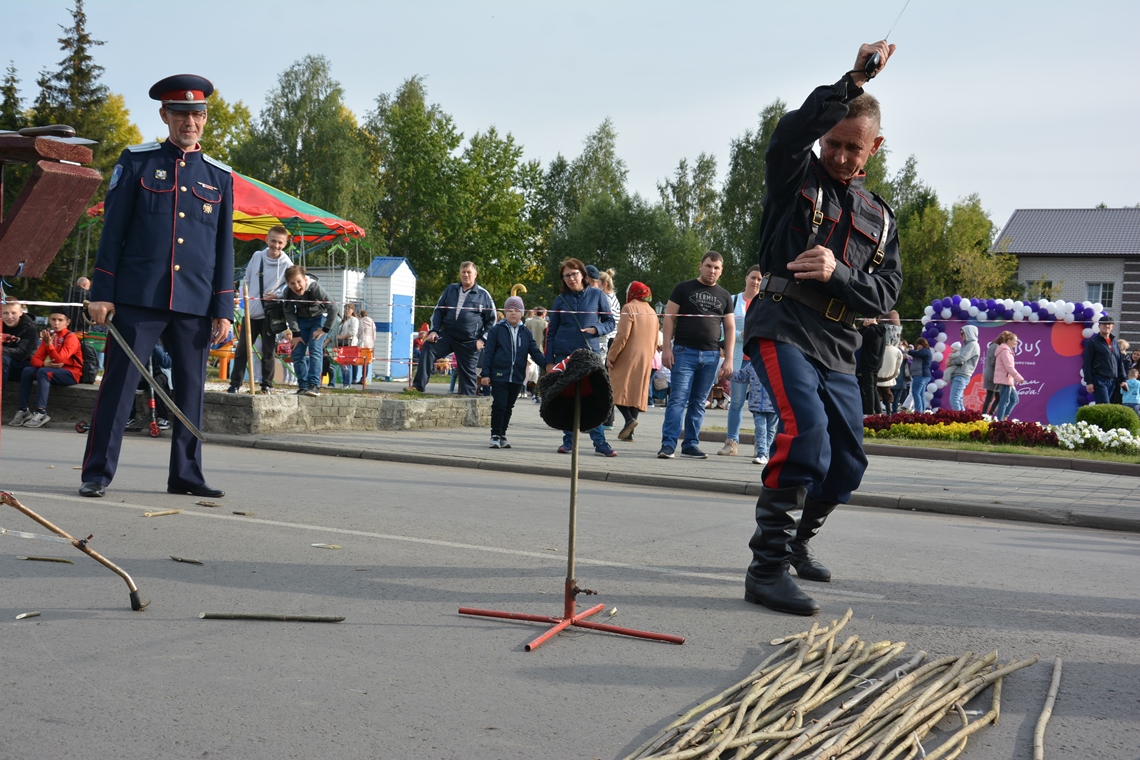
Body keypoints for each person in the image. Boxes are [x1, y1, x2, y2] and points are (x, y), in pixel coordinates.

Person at [740, 41, 903, 616]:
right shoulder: (794, 175)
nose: (838, 155)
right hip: (783, 323)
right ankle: (764, 570)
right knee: (805, 436)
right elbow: (789, 133)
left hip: (839, 343)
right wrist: (852, 82)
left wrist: (839, 274)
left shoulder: (880, 216)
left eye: (851, 147)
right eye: (832, 142)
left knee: (847, 463)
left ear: (874, 148)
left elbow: (887, 292)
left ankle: (796, 547)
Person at [80, 74, 234, 500]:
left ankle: (186, 474)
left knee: (191, 392)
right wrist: (102, 292)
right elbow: (113, 232)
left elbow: (223, 248)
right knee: (119, 386)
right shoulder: (137, 162)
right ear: (164, 115)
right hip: (138, 296)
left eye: (198, 113)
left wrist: (224, 306)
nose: (191, 120)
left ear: (205, 119)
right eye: (182, 113)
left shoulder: (219, 177)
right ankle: (96, 472)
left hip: (195, 301)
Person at [657, 252, 734, 460]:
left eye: (716, 268)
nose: (712, 271)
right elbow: (669, 318)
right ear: (700, 266)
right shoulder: (683, 288)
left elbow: (729, 327)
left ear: (721, 270)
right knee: (677, 400)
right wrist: (666, 348)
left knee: (699, 402)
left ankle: (691, 444)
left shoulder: (725, 296)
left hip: (711, 356)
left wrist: (728, 359)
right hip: (683, 352)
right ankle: (668, 445)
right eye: (709, 266)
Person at [545, 258, 616, 456]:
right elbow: (551, 332)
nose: (570, 278)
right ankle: (568, 442)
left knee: (592, 398)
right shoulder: (560, 300)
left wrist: (596, 329)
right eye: (566, 275)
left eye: (574, 274)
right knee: (567, 398)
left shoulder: (597, 295)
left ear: (583, 275)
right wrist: (549, 360)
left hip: (588, 354)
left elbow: (610, 322)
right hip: (564, 354)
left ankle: (600, 444)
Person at [412, 262, 496, 395]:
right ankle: (417, 386)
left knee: (468, 384)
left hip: (470, 342)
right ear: (460, 274)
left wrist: (482, 340)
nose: (466, 275)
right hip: (448, 336)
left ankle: (467, 406)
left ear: (475, 274)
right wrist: (434, 331)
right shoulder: (450, 290)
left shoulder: (483, 295)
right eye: (463, 272)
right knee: (429, 346)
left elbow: (492, 320)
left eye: (469, 272)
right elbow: (438, 311)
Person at [227, 225, 293, 394]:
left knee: (268, 351)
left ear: (285, 244)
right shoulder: (257, 256)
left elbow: (290, 286)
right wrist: (246, 302)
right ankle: (235, 383)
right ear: (267, 240)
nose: (276, 245)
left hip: (270, 315)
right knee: (242, 350)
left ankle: (267, 384)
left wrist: (277, 295)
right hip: (251, 312)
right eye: (273, 241)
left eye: (280, 242)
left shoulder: (286, 263)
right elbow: (247, 279)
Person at [480, 296, 545, 448]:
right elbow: (488, 353)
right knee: (499, 405)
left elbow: (535, 352)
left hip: (516, 376)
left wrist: (547, 365)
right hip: (499, 375)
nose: (513, 313)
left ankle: (503, 434)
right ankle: (495, 435)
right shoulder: (496, 330)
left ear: (522, 313)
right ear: (505, 312)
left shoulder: (526, 333)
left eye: (516, 310)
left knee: (509, 406)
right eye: (509, 310)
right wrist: (485, 374)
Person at [9, 310, 83, 428]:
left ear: (67, 322)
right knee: (28, 371)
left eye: (60, 320)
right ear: (49, 320)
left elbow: (60, 361)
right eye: (53, 319)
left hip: (71, 373)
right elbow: (35, 359)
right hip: (52, 370)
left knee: (43, 372)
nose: (56, 323)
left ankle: (41, 412)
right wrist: (44, 364)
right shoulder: (50, 335)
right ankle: (23, 410)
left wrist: (49, 345)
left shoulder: (71, 337)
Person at [721, 266, 765, 456]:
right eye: (753, 277)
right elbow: (723, 331)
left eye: (759, 279)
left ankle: (761, 445)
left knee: (761, 405)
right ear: (746, 278)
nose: (756, 282)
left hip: (759, 361)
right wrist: (741, 336)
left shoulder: (766, 302)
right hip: (738, 360)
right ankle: (732, 442)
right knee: (736, 403)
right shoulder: (733, 300)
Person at [606, 281, 657, 442]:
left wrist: (611, 356)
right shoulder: (653, 312)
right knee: (636, 391)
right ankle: (629, 433)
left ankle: (629, 420)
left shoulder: (629, 308)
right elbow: (656, 339)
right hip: (646, 356)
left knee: (613, 388)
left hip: (628, 355)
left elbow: (622, 335)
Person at [282, 265, 336, 396]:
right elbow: (289, 312)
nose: (297, 286)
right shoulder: (288, 293)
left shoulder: (315, 288)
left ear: (305, 280)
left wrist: (325, 329)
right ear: (288, 284)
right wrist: (295, 333)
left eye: (299, 282)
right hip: (302, 320)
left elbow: (333, 308)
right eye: (292, 283)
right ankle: (303, 385)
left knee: (315, 348)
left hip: (319, 319)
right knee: (297, 352)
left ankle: (314, 384)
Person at [730, 361, 779, 465]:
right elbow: (741, 376)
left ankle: (766, 453)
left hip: (774, 405)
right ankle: (762, 454)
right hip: (757, 405)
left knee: (770, 430)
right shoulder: (753, 364)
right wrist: (728, 374)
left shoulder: (779, 363)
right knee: (760, 428)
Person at [1082, 316, 1127, 405]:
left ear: (1112, 327)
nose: (1106, 326)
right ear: (1099, 326)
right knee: (1104, 405)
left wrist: (1123, 380)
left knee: (1107, 406)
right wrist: (1089, 382)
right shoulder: (1093, 343)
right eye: (1104, 324)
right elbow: (1087, 363)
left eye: (1109, 324)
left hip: (1113, 381)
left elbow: (1119, 362)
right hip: (1099, 379)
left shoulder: (1115, 343)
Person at [2, 299, 39, 382]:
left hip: (24, 365)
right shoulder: (1, 325)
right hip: (6, 363)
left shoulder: (29, 328)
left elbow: (22, 354)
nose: (9, 316)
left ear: (21, 312)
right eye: (5, 313)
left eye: (13, 313)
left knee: (2, 360)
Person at [855, 317, 886, 414]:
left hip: (868, 362)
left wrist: (863, 327)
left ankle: (869, 412)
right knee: (873, 387)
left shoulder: (871, 330)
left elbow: (859, 338)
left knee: (868, 388)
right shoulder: (882, 330)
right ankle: (878, 411)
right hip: (878, 362)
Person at [945, 325, 980, 410]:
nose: (961, 336)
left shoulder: (972, 345)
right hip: (959, 375)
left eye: (962, 333)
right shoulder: (968, 345)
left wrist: (951, 363)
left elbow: (962, 358)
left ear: (969, 333)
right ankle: (964, 420)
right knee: (958, 400)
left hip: (961, 375)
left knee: (954, 400)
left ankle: (959, 420)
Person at [993, 331, 1025, 420]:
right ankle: (999, 422)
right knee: (1005, 401)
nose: (1017, 343)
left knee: (1014, 399)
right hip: (1005, 380)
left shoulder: (1007, 350)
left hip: (1007, 379)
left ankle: (1004, 417)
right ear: (1009, 340)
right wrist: (1019, 378)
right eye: (1015, 340)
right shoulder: (1005, 351)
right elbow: (1009, 367)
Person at [876, 324, 904, 412]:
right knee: (887, 396)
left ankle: (878, 412)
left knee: (877, 396)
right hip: (889, 379)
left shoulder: (876, 348)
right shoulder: (897, 351)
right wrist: (894, 376)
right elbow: (897, 368)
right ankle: (888, 412)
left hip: (875, 379)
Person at [336, 303, 360, 387]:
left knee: (347, 363)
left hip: (350, 343)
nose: (346, 311)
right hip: (342, 344)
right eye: (345, 309)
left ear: (352, 311)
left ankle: (347, 384)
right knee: (343, 364)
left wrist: (342, 337)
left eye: (348, 309)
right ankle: (345, 383)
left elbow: (353, 332)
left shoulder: (354, 320)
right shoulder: (343, 321)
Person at [907, 338, 932, 414]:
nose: (917, 347)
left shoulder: (924, 351)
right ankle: (922, 411)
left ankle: (918, 412)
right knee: (921, 394)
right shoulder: (926, 352)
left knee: (916, 393)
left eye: (918, 345)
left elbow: (917, 353)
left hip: (920, 375)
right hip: (924, 376)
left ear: (923, 344)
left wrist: (908, 351)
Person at [980, 335, 1001, 416]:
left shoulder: (994, 346)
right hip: (992, 376)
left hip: (994, 376)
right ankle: (985, 416)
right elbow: (993, 362)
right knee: (990, 398)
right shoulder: (995, 346)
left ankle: (987, 415)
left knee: (997, 397)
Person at [357, 308, 375, 385]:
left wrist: (357, 338)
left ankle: (361, 378)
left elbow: (359, 331)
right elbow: (374, 333)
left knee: (362, 361)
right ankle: (364, 378)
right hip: (370, 343)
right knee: (366, 362)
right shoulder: (372, 322)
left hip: (363, 342)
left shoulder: (361, 321)